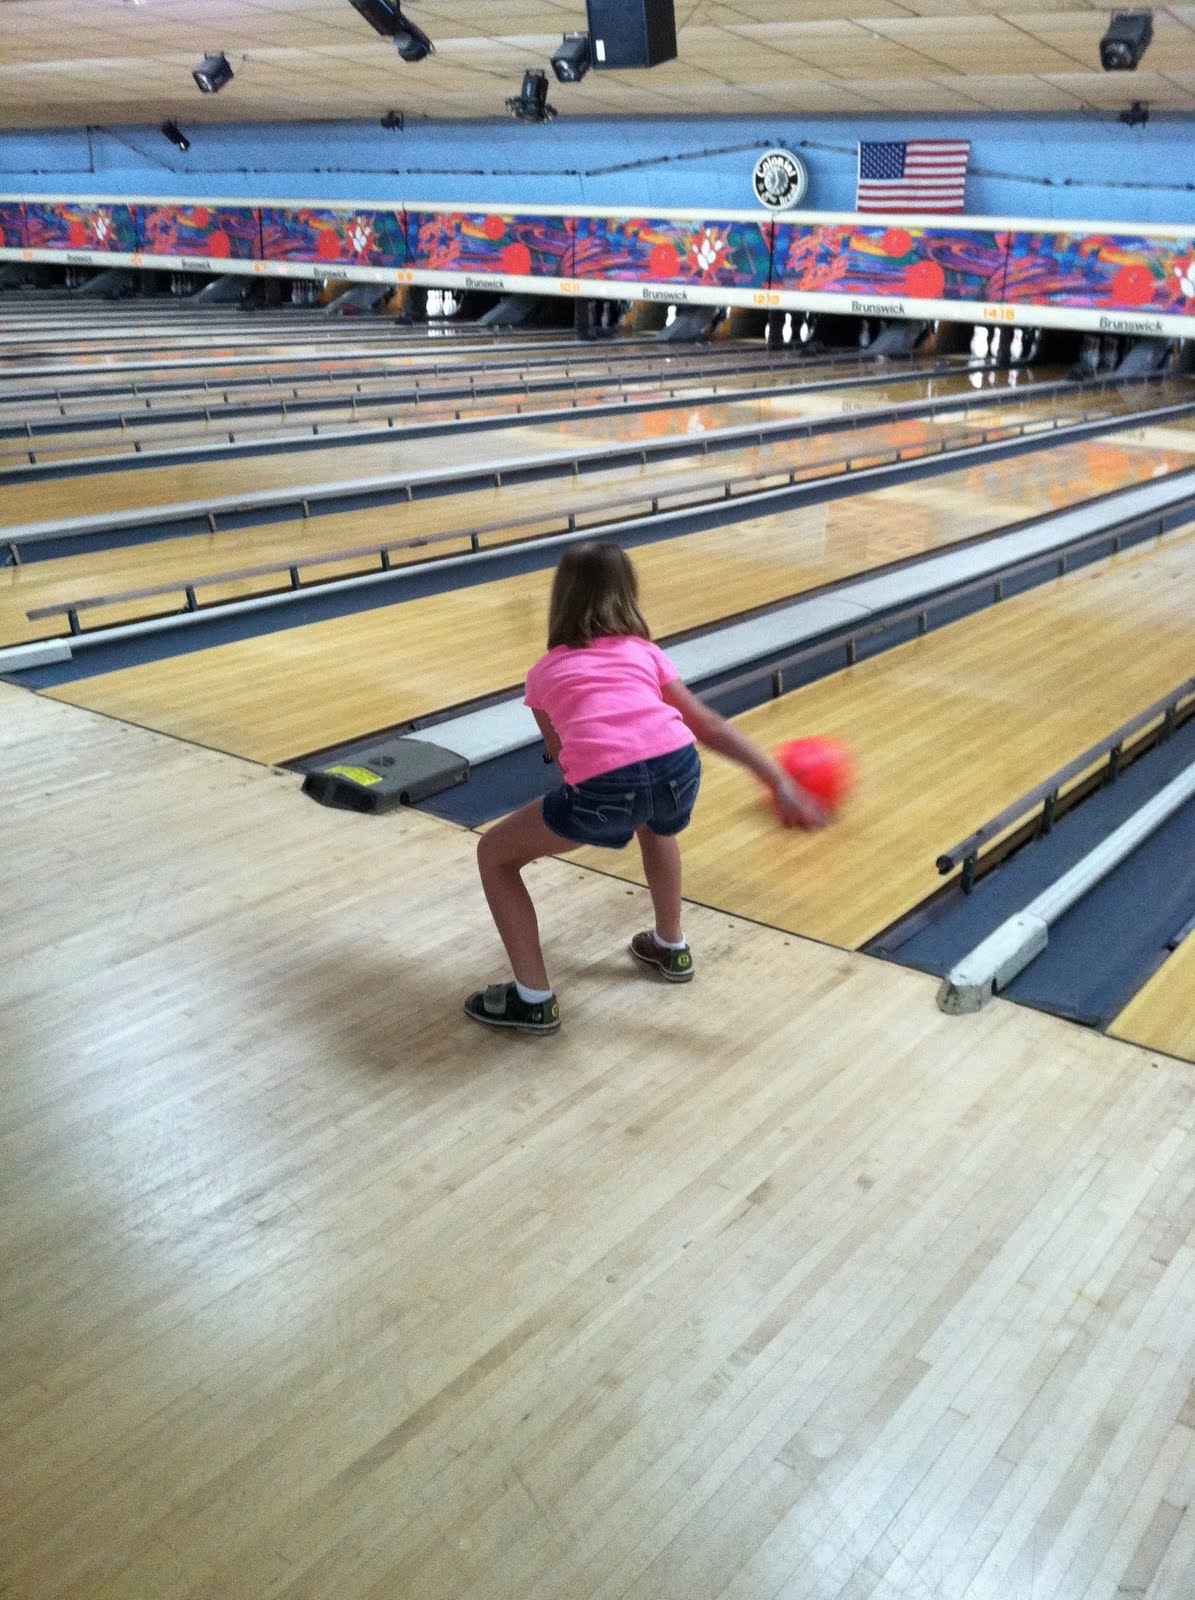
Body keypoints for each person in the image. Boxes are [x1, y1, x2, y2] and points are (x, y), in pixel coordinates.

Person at [465, 542, 825, 1035]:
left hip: (608, 786)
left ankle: (532, 999)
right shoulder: (645, 652)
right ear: (628, 594)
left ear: (560, 600)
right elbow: (707, 723)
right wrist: (778, 780)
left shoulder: (543, 675)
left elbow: (564, 760)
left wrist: (600, 800)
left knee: (494, 855)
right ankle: (671, 946)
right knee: (656, 823)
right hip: (679, 766)